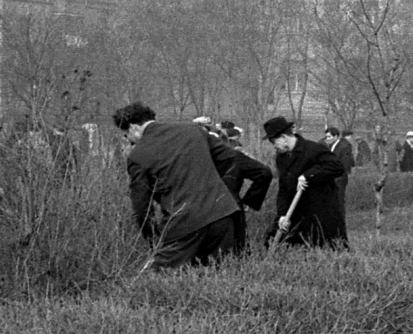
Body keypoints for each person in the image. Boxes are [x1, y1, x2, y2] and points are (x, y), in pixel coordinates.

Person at [113, 103, 239, 269]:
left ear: (134, 127)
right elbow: (229, 157)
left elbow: (142, 209)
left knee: (162, 279)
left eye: (126, 133)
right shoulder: (192, 130)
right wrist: (219, 189)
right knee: (222, 277)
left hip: (183, 223)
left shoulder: (138, 155)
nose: (128, 139)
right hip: (222, 214)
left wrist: (154, 241)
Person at [264, 116, 348, 248]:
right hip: (295, 215)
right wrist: (281, 215)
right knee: (273, 244)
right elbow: (283, 189)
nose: (274, 146)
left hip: (320, 214)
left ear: (284, 138)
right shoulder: (281, 158)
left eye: (274, 142)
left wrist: (308, 175)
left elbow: (337, 167)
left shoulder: (314, 149)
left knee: (326, 251)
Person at [220, 126, 273, 254]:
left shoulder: (192, 158)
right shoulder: (232, 156)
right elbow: (264, 173)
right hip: (231, 205)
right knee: (238, 249)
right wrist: (249, 201)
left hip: (199, 207)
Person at [325, 126, 355, 212]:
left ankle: (341, 222)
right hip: (332, 178)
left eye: (329, 136)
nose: (327, 138)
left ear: (336, 136)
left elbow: (344, 165)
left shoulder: (344, 146)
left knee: (339, 202)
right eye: (327, 136)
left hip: (339, 179)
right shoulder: (331, 146)